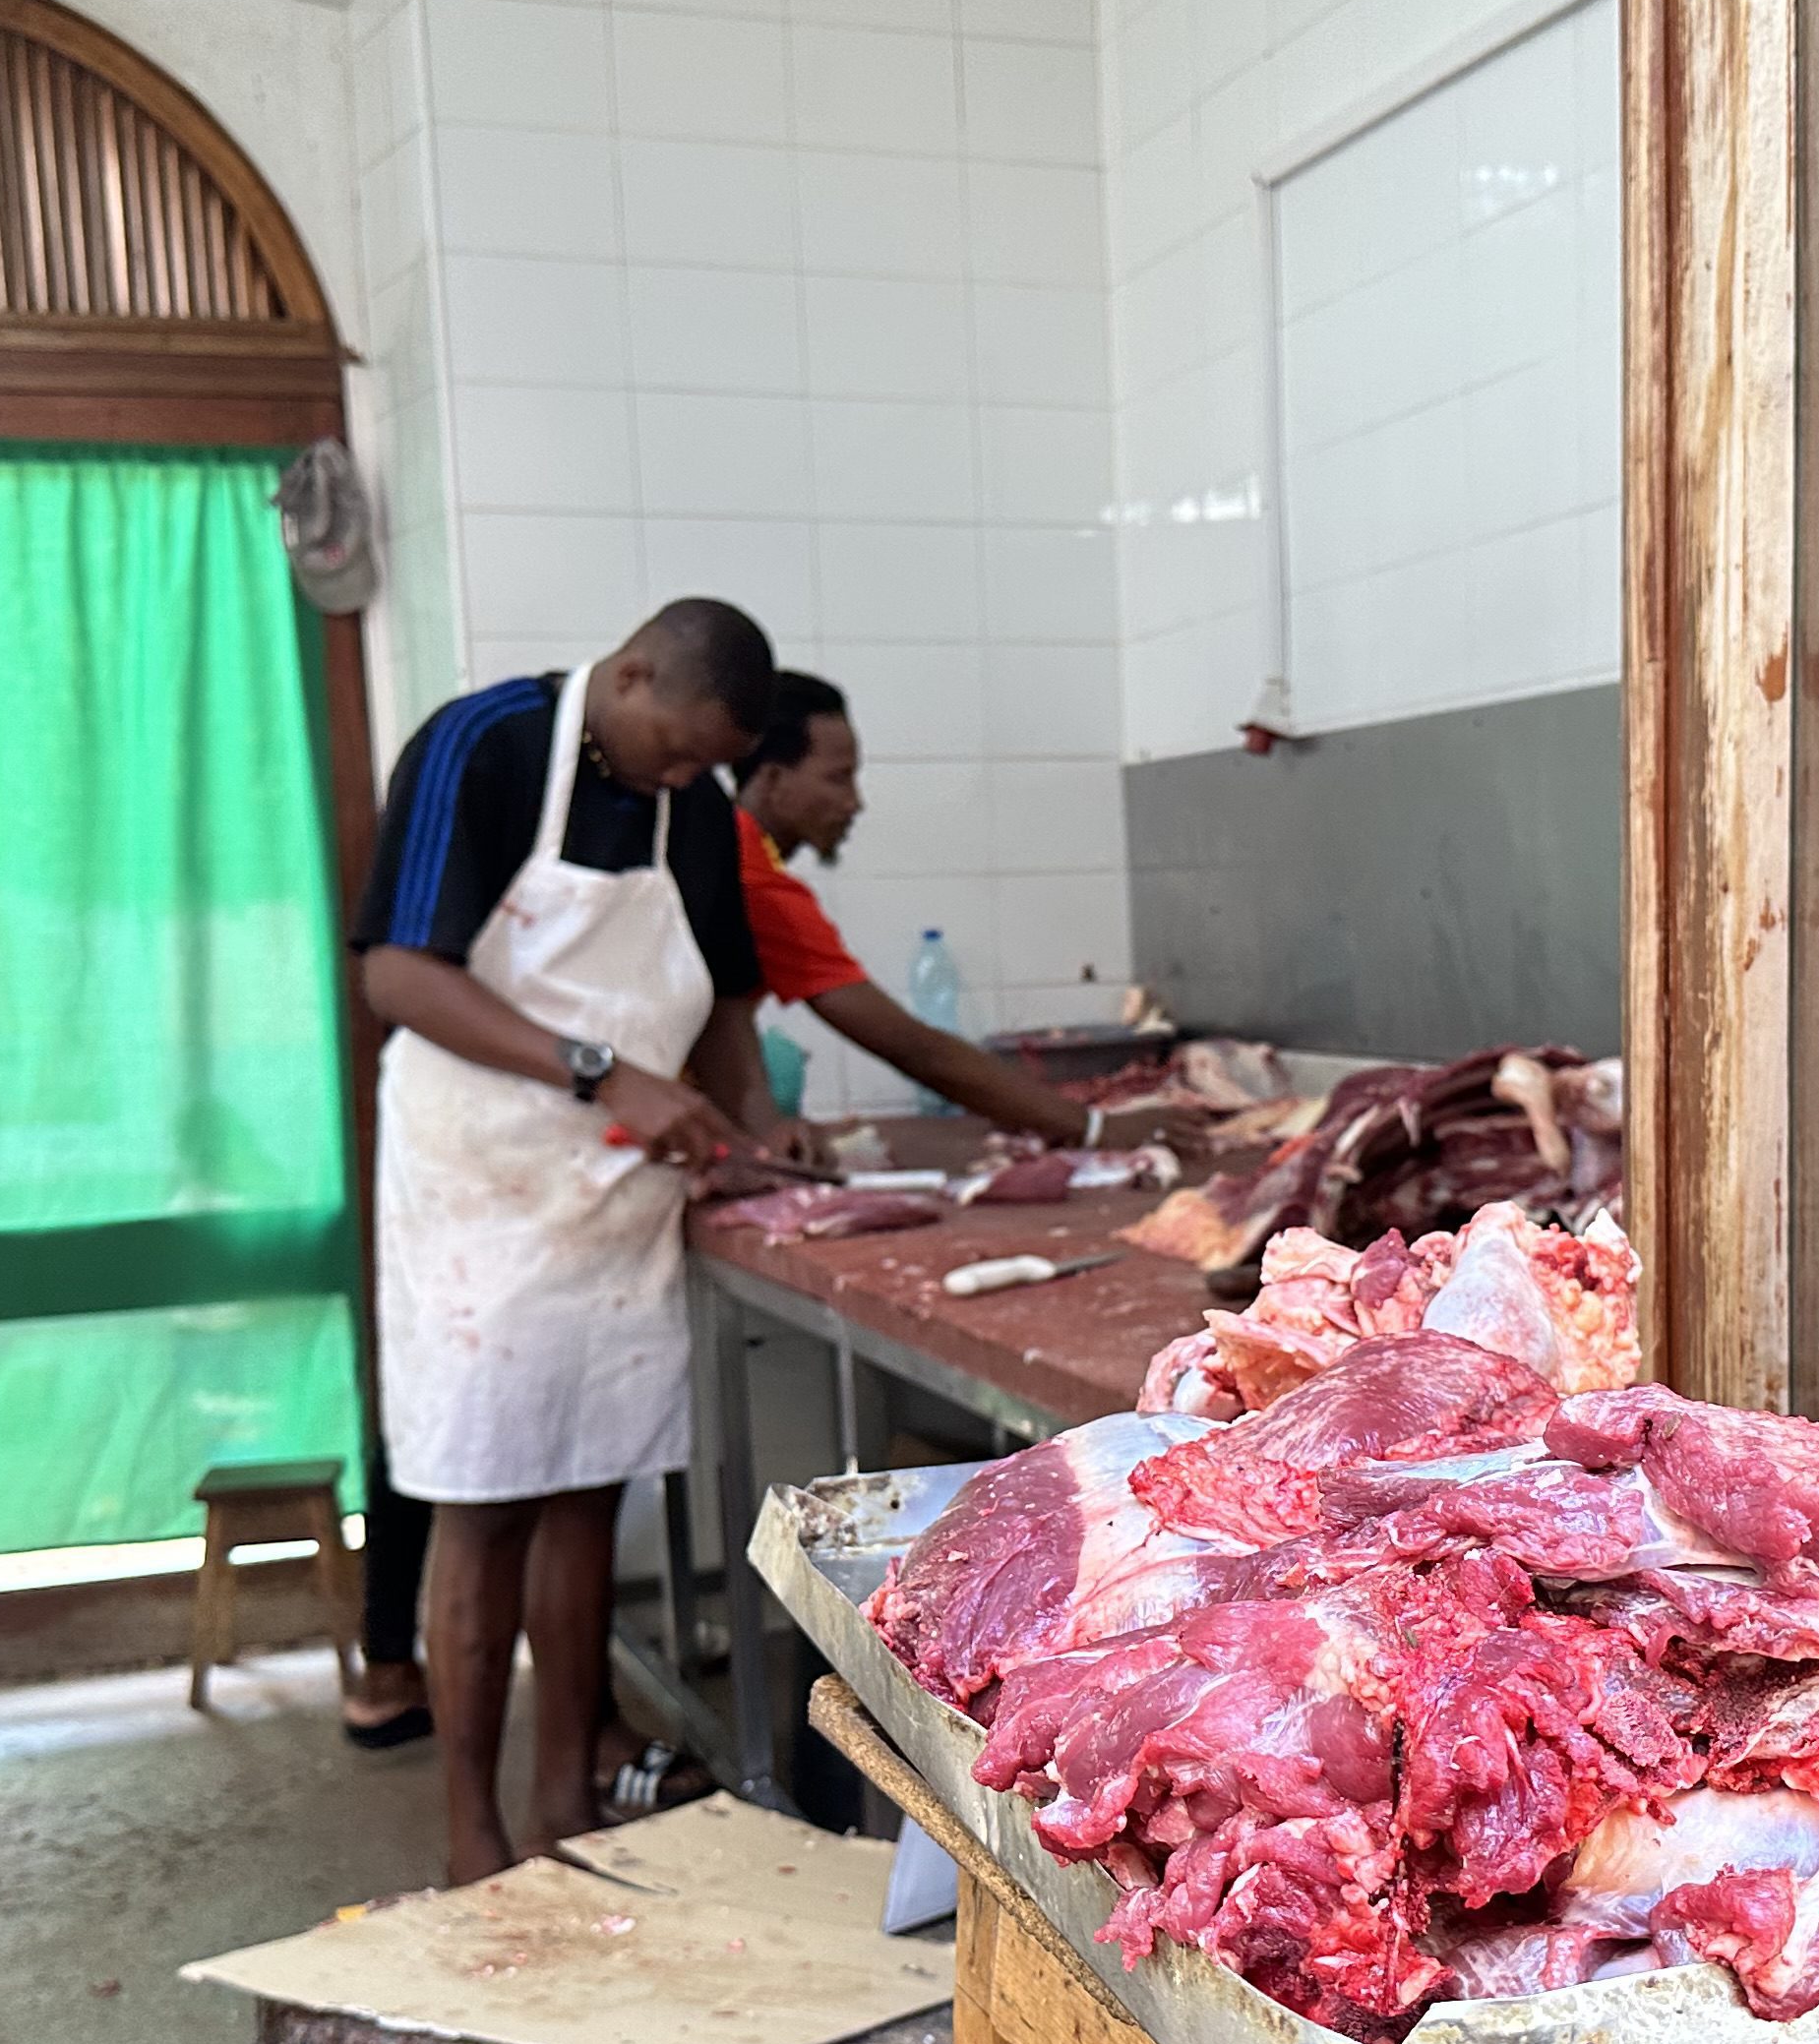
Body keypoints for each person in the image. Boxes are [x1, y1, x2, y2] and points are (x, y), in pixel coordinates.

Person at [352, 603, 805, 1884]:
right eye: (672, 746)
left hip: (614, 1199)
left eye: (701, 760)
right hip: (479, 1186)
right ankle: (472, 1836)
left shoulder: (696, 809)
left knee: (588, 1487)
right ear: (632, 668)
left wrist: (757, 1131)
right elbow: (397, 976)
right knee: (484, 1498)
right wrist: (604, 1074)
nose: (680, 777)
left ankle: (563, 1801)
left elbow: (719, 994)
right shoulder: (481, 744)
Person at [730, 673, 1203, 1157]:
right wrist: (1095, 1129)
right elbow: (908, 1044)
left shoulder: (735, 853)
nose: (855, 802)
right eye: (838, 778)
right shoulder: (751, 875)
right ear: (771, 780)